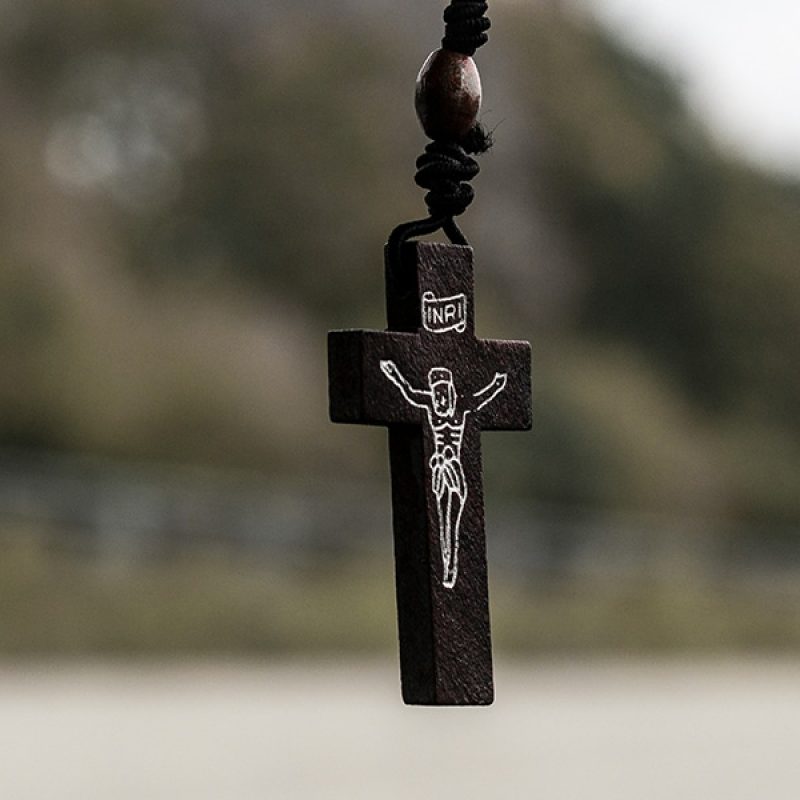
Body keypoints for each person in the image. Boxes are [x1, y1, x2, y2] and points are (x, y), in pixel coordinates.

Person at [380, 360, 506, 588]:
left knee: (454, 522)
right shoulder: (429, 405)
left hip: (455, 471)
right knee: (441, 519)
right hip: (439, 469)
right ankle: (446, 564)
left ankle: (452, 564)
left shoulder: (461, 407)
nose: (440, 399)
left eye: (443, 393)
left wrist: (497, 385)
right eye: (436, 393)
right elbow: (409, 392)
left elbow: (480, 398)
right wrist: (394, 373)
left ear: (450, 390)